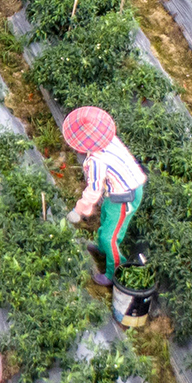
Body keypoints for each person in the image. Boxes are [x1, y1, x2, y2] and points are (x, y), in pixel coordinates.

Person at [63, 106, 147, 287]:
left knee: (111, 236)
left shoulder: (96, 161)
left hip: (126, 197)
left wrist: (79, 210)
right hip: (119, 190)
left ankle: (114, 271)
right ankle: (102, 248)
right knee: (106, 218)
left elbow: (94, 190)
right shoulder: (108, 139)